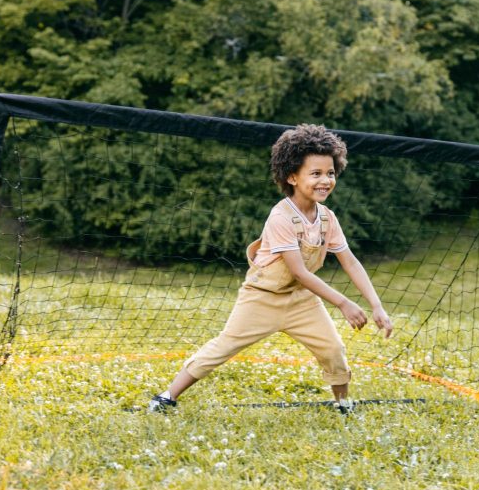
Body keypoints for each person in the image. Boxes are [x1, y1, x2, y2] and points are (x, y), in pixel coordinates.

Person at [149, 124, 393, 414]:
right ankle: (167, 396)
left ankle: (343, 404)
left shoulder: (328, 219)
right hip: (262, 297)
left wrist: (376, 305)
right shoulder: (280, 217)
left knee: (333, 349)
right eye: (315, 174)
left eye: (330, 173)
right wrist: (343, 302)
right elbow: (300, 271)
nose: (325, 180)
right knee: (223, 347)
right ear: (292, 176)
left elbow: (349, 261)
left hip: (301, 299)